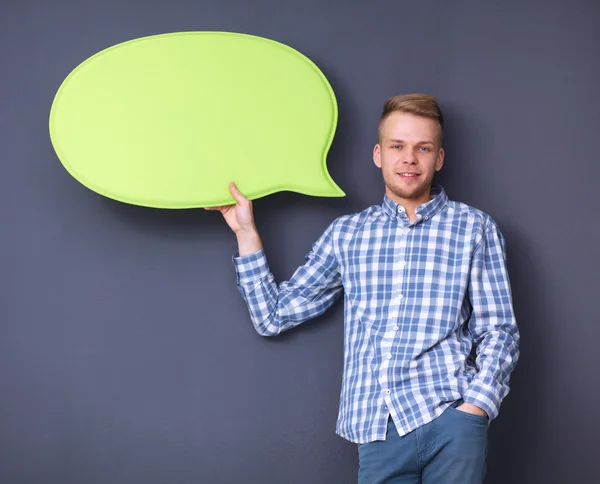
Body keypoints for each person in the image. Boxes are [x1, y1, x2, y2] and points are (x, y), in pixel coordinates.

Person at [206, 94, 520, 484]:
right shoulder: (347, 234)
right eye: (397, 146)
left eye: (423, 148)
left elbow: (498, 329)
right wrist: (246, 232)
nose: (409, 159)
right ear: (379, 154)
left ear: (438, 158)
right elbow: (273, 316)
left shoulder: (474, 228)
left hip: (452, 419)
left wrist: (476, 408)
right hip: (377, 429)